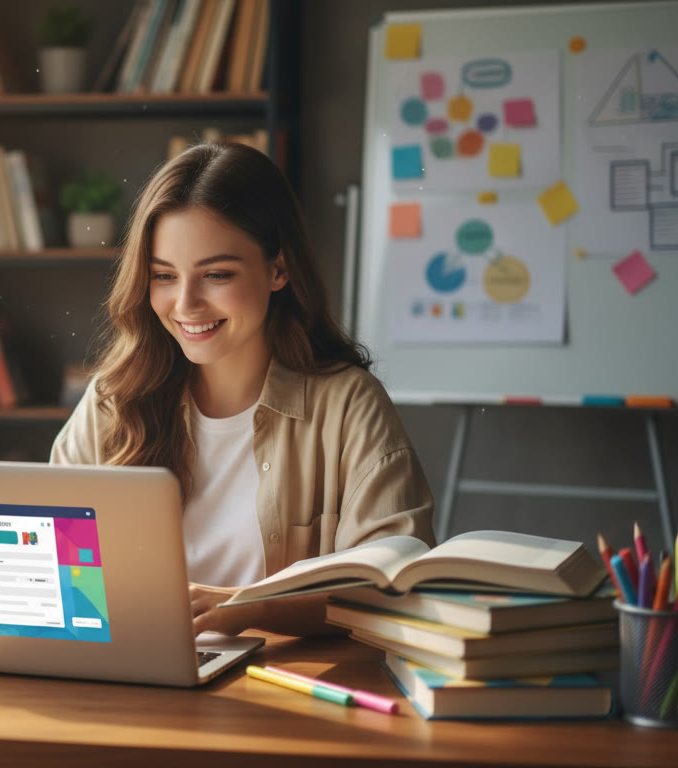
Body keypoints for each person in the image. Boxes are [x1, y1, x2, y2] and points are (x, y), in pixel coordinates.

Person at [50, 142, 435, 637]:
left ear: (278, 269)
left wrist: (252, 608)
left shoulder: (348, 404)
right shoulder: (113, 399)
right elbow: (60, 567)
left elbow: (396, 587)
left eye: (216, 274)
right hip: (134, 674)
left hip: (281, 690)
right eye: (164, 276)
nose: (185, 303)